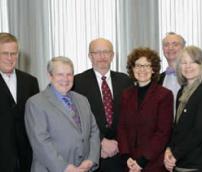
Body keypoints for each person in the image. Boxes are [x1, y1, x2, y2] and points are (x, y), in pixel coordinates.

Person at [25, 56, 100, 172]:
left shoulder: (82, 100)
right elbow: (41, 143)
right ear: (50, 76)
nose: (65, 79)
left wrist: (91, 159)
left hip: (83, 168)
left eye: (69, 74)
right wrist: (65, 168)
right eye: (60, 74)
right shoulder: (35, 103)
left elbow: (94, 131)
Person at [73, 38, 133, 172]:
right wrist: (100, 141)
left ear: (112, 55)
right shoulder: (77, 82)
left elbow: (131, 117)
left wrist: (119, 144)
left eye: (106, 52)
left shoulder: (125, 81)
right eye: (97, 52)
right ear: (90, 56)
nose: (102, 56)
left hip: (121, 154)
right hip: (92, 154)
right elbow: (75, 119)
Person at [117, 47, 173, 172]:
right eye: (138, 65)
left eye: (147, 65)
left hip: (153, 164)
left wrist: (142, 161)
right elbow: (122, 128)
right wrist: (126, 157)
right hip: (129, 164)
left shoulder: (164, 95)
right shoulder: (126, 95)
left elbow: (163, 133)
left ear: (153, 69)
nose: (142, 69)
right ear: (132, 69)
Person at [164, 46, 202, 172]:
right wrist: (169, 149)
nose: (188, 66)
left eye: (193, 62)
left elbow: (199, 131)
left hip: (197, 163)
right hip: (180, 161)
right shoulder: (182, 91)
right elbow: (177, 127)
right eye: (184, 63)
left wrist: (175, 154)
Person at [0, 32, 39, 172]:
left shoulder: (31, 81)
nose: (10, 58)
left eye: (14, 53)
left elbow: (36, 120)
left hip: (27, 159)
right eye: (5, 53)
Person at [158, 32, 186, 116]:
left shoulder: (194, 77)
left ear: (184, 48)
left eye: (175, 44)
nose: (170, 48)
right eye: (166, 45)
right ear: (163, 50)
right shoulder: (157, 79)